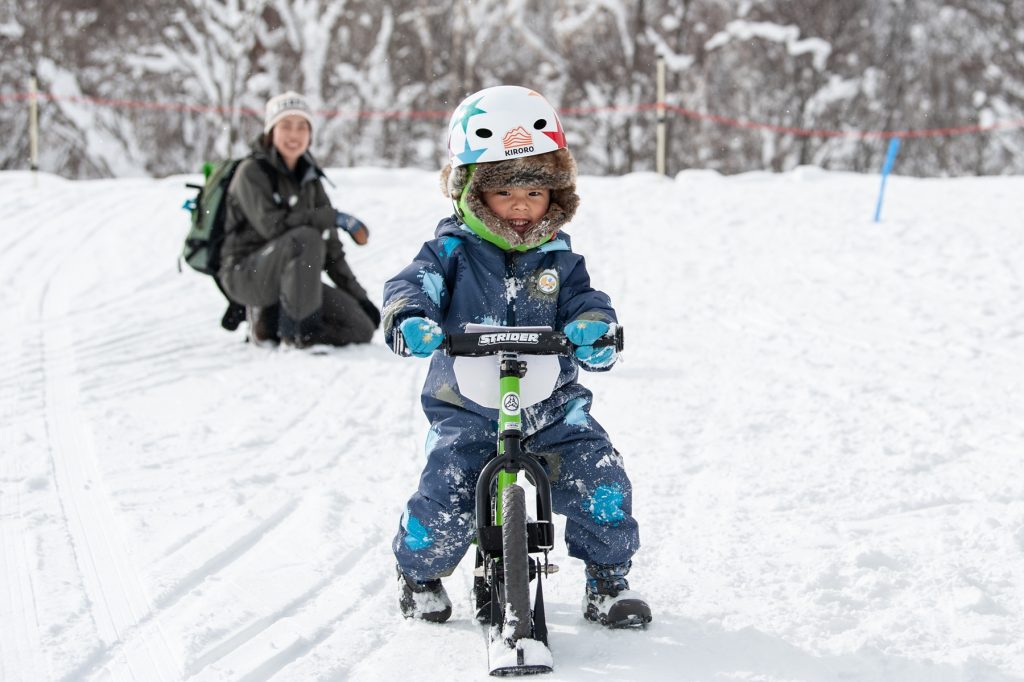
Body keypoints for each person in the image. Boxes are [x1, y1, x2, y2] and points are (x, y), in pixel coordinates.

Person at [381, 85, 652, 628]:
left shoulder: (560, 259)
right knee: (447, 495)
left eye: (538, 190)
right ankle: (420, 572)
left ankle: (607, 581)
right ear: (474, 193)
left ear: (558, 195)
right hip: (468, 403)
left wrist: (592, 329)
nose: (523, 204)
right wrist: (411, 318)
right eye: (506, 191)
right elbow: (413, 285)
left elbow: (585, 301)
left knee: (599, 476)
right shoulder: (450, 251)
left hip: (550, 403)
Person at [218, 91, 380, 348]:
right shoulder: (251, 172)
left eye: (301, 126)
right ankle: (297, 335)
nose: (294, 134)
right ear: (272, 131)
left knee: (359, 326)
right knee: (305, 238)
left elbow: (332, 250)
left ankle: (272, 323)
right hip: (245, 273)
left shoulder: (311, 180)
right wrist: (329, 217)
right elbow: (272, 227)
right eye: (286, 125)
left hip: (293, 281)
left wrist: (360, 298)